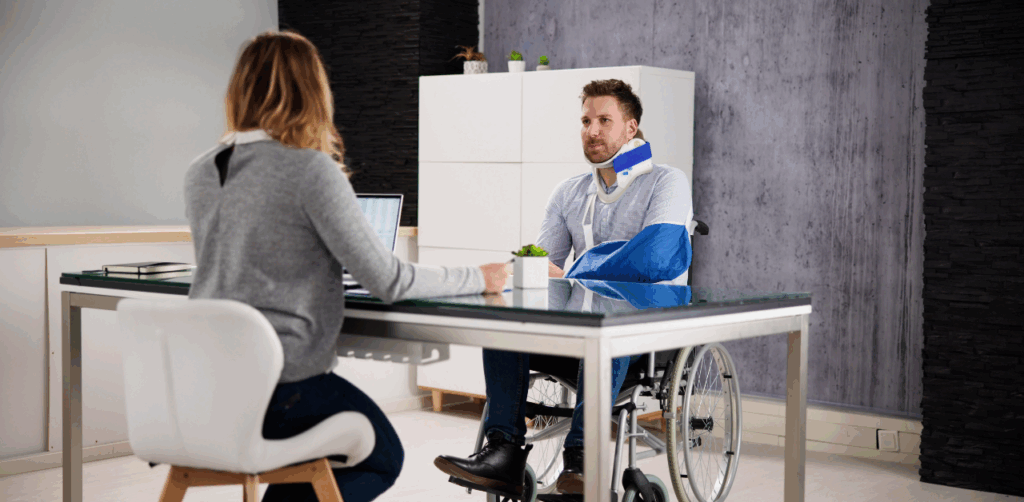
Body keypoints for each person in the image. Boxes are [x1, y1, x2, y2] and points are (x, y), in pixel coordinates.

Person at [183, 30, 510, 502]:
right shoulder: (309, 170)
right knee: (382, 457)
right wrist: (478, 276)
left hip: (213, 385)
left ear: (240, 91)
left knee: (312, 464)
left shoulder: (202, 170)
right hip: (283, 386)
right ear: (312, 93)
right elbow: (390, 280)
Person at [433, 79, 692, 495]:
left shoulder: (667, 182)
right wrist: (536, 271)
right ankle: (502, 452)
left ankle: (581, 460)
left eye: (605, 120)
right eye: (586, 120)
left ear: (631, 127)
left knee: (604, 325)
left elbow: (655, 259)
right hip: (578, 330)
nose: (592, 130)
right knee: (506, 320)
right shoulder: (569, 192)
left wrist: (577, 270)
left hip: (641, 336)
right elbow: (541, 268)